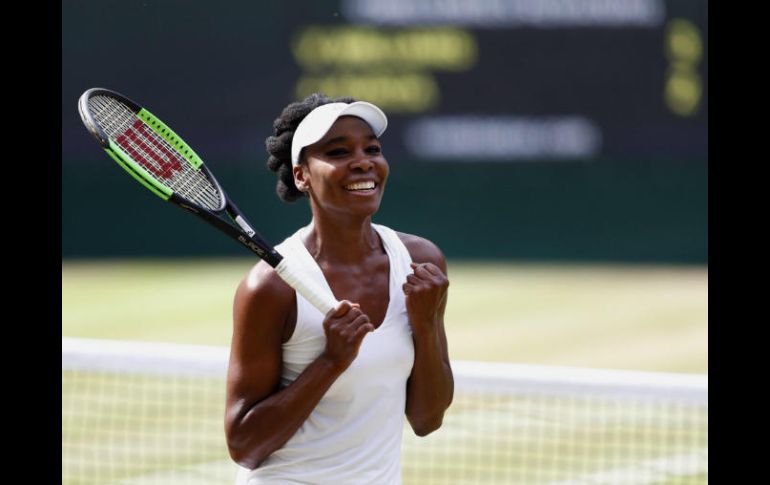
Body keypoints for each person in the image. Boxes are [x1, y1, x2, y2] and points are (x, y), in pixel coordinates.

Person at [225, 92, 453, 484]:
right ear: (302, 175)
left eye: (372, 148)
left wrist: (427, 323)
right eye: (338, 152)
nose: (364, 161)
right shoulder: (269, 287)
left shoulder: (420, 261)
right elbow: (245, 445)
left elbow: (427, 419)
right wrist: (331, 361)